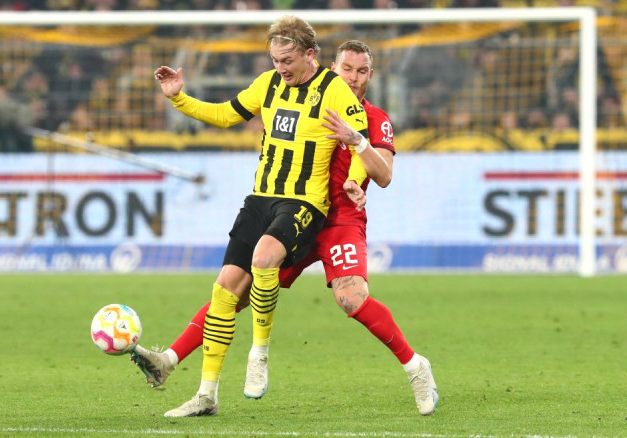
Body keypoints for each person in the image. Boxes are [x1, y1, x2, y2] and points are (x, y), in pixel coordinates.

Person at [133, 39, 439, 417]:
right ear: (332, 68)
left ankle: (416, 367)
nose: (354, 78)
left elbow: (385, 174)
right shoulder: (308, 98)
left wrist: (357, 151)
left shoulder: (376, 119)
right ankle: (170, 361)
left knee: (351, 298)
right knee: (236, 292)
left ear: (371, 76)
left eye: (362, 71)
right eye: (347, 69)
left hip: (340, 220)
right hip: (295, 213)